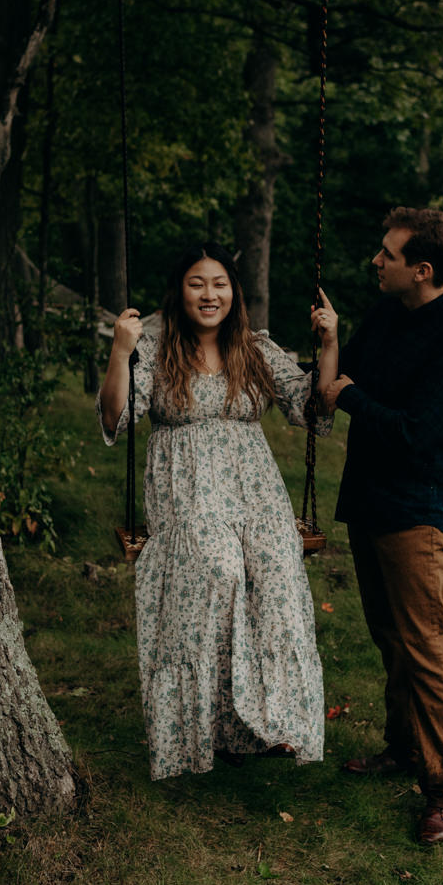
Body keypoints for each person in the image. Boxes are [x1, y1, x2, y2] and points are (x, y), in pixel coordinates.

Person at [98, 242, 339, 780]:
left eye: (220, 284)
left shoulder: (254, 348)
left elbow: (311, 405)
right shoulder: (157, 349)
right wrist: (120, 351)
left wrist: (329, 342)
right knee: (218, 571)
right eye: (197, 283)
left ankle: (272, 723)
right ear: (179, 292)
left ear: (234, 292)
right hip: (188, 488)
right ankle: (205, 728)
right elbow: (115, 418)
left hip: (255, 490)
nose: (210, 294)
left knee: (278, 575)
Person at [319, 207, 443, 845]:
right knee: (390, 638)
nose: (375, 262)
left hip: (415, 513)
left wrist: (353, 398)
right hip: (367, 501)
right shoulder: (388, 313)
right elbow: (341, 376)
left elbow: (419, 434)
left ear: (423, 270)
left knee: (428, 649)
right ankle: (403, 748)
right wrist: (332, 340)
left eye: (387, 255)